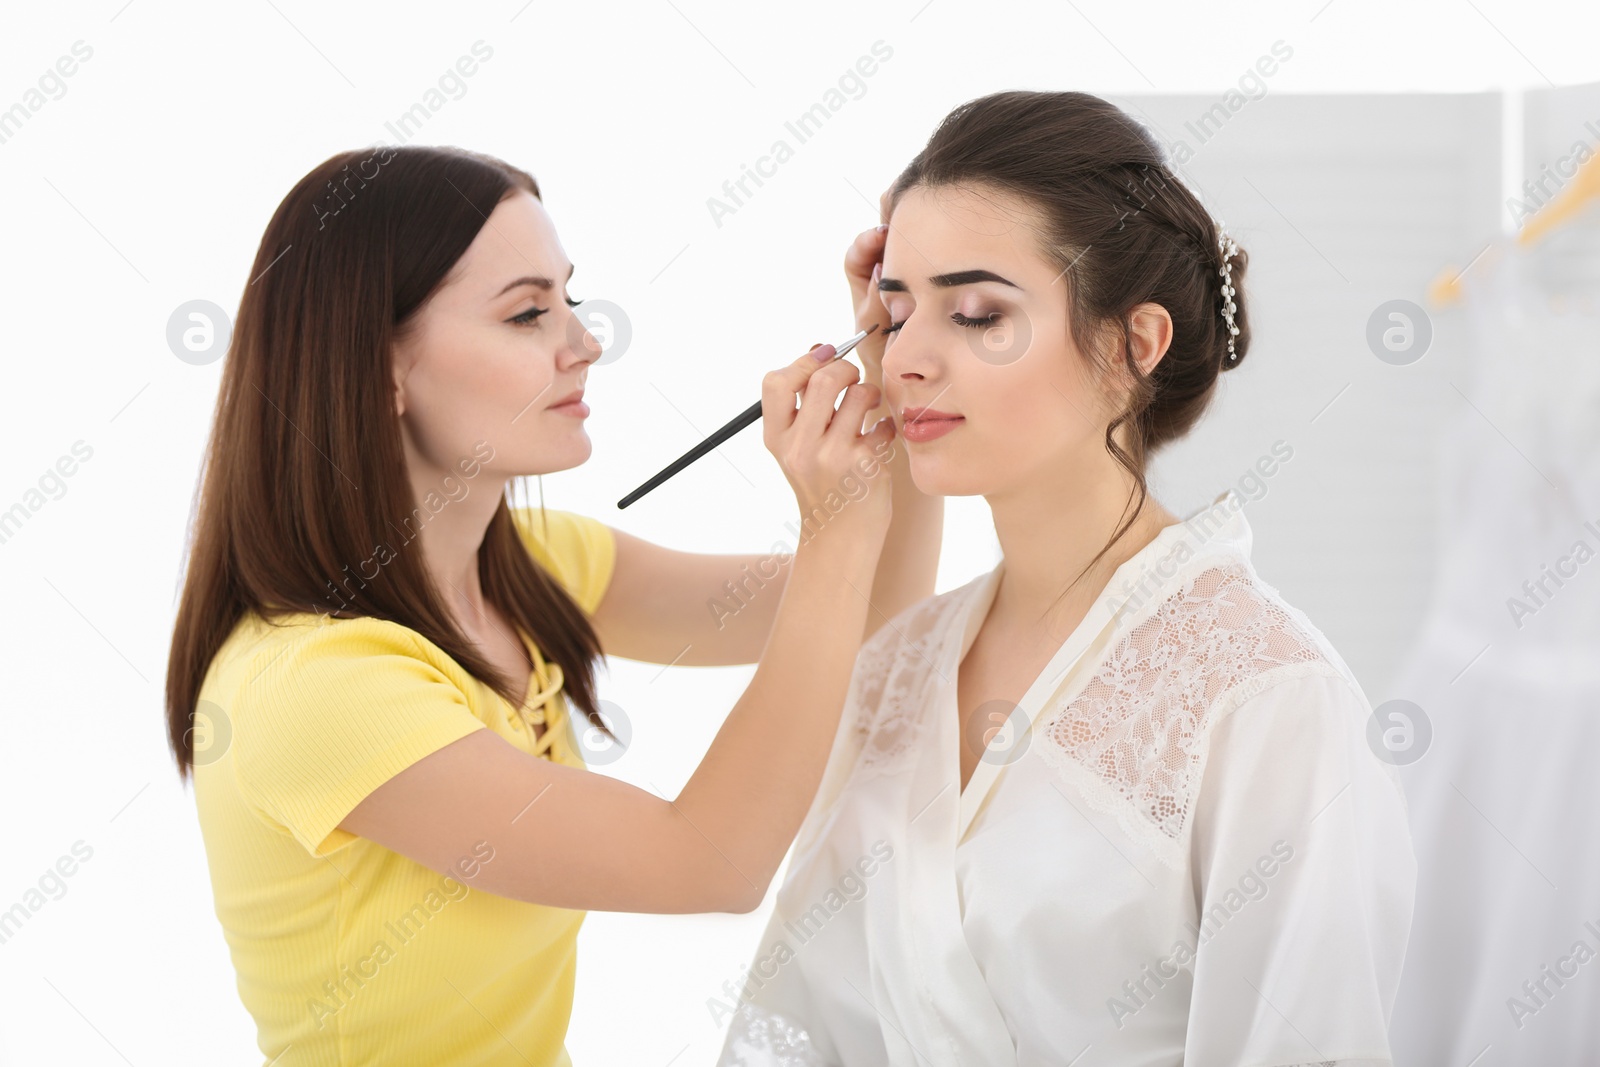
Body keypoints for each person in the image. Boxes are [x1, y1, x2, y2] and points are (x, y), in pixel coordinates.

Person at [164, 144, 942, 1066]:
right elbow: (712, 863)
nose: (584, 341)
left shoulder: (528, 568)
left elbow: (871, 621)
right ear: (381, 371)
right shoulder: (315, 688)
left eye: (569, 298)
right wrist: (833, 528)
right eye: (528, 312)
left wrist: (900, 382)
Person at [716, 90, 1416, 1067]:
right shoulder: (901, 667)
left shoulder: (1267, 699)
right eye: (894, 309)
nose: (905, 358)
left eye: (975, 313)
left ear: (1135, 344)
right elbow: (810, 1027)